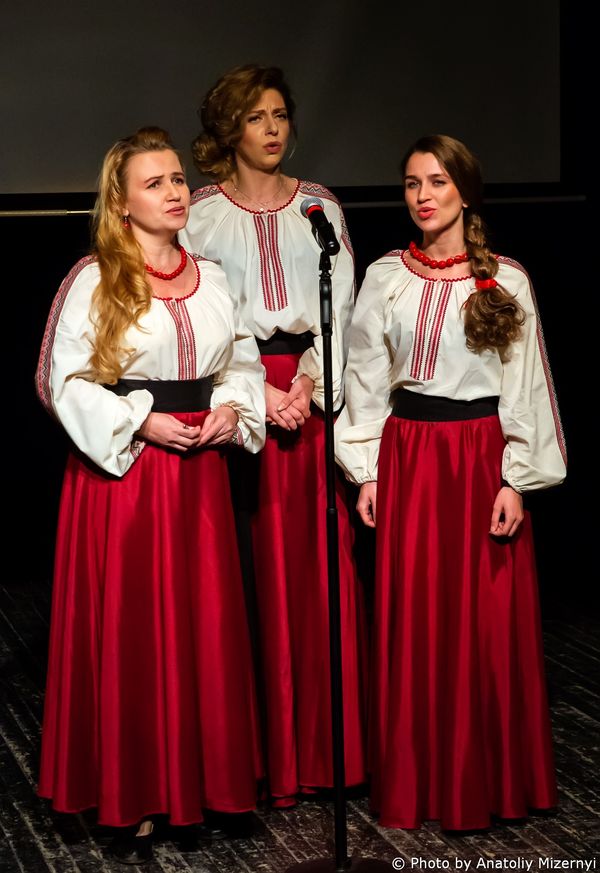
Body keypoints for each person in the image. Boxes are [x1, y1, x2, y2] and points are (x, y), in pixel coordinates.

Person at [36, 128, 265, 863]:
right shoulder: (95, 278)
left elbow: (240, 362)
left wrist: (232, 408)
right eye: (154, 183)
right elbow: (60, 380)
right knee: (135, 630)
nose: (174, 192)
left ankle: (204, 785)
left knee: (202, 625)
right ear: (121, 202)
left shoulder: (214, 276)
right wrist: (139, 420)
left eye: (177, 179)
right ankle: (132, 792)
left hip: (199, 474)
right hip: (129, 478)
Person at [335, 135, 566, 831]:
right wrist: (367, 469)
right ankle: (418, 780)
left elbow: (525, 384)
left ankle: (485, 780)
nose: (423, 196)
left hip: (478, 460)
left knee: (483, 622)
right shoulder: (387, 276)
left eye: (436, 181)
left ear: (465, 191)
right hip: (411, 457)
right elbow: (365, 378)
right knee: (416, 621)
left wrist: (515, 480)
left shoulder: (506, 279)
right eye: (412, 183)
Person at [180, 65, 367, 808]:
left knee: (316, 569)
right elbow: (197, 314)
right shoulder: (200, 213)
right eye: (256, 116)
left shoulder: (319, 207)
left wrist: (308, 387)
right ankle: (255, 758)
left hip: (308, 396)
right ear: (229, 128)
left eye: (281, 114)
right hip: (236, 399)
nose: (272, 128)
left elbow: (342, 309)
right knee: (246, 571)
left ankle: (323, 753)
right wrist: (256, 391)